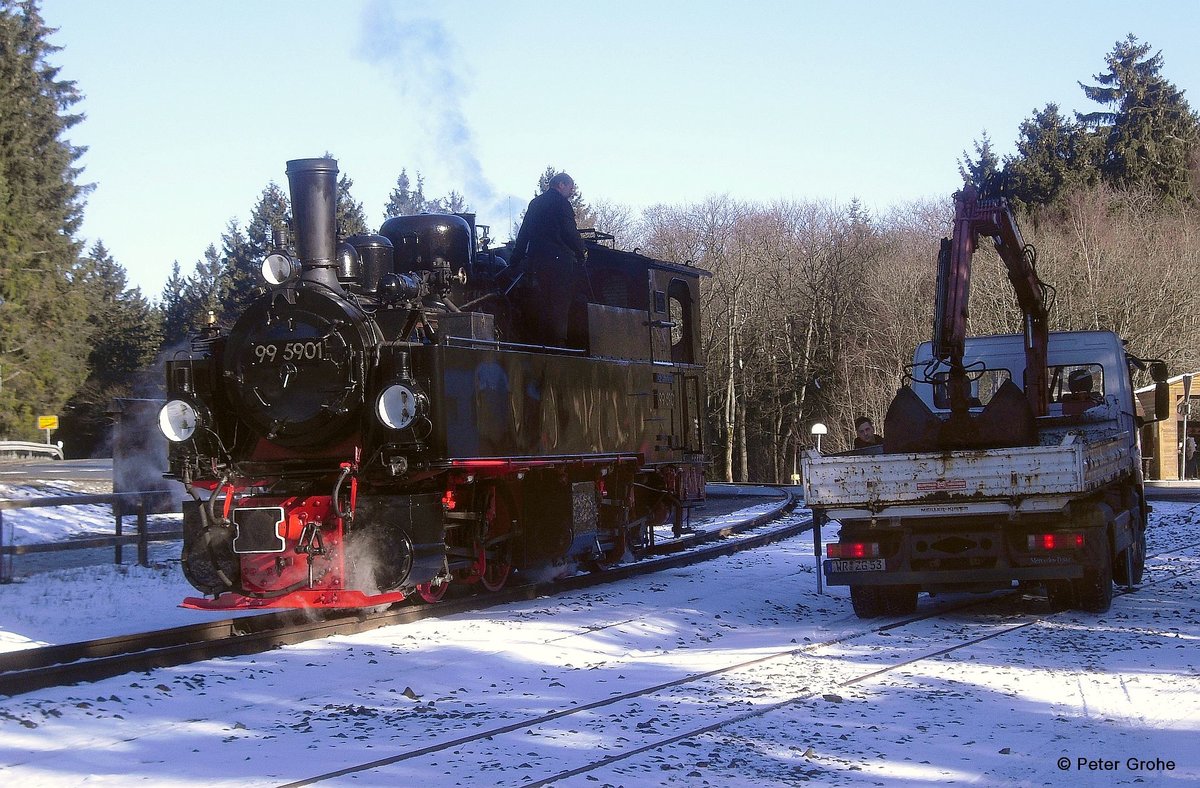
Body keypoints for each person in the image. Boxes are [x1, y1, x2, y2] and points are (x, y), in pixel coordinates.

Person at [509, 172, 590, 346]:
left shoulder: (535, 203)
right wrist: (580, 251)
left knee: (540, 302)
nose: (572, 191)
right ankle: (559, 344)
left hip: (536, 262)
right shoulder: (562, 204)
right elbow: (569, 232)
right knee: (560, 304)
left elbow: (524, 234)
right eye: (570, 187)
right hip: (560, 262)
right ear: (561, 184)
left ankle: (540, 341)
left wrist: (514, 260)